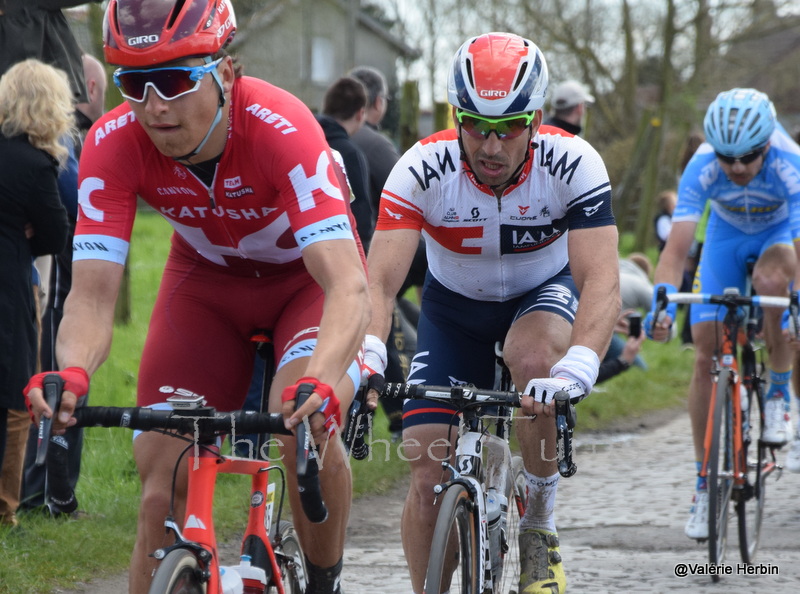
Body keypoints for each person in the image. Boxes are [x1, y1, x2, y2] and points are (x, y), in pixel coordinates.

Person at [22, 1, 369, 593]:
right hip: (206, 287)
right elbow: (92, 297)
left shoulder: (280, 127)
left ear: (226, 73)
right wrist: (73, 372)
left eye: (177, 79)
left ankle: (324, 579)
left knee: (301, 429)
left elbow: (347, 283)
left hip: (305, 286)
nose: (155, 105)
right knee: (162, 486)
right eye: (134, 82)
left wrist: (323, 381)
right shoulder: (115, 140)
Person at [363, 33, 619, 594]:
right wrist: (367, 357)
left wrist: (579, 363)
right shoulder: (421, 169)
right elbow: (379, 284)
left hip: (540, 295)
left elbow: (601, 278)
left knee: (535, 363)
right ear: (456, 116)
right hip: (452, 309)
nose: (491, 145)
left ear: (538, 118)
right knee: (427, 465)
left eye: (509, 127)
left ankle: (538, 526)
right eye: (476, 124)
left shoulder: (573, 163)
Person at [646, 88, 800, 539]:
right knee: (705, 349)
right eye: (728, 158)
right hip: (726, 239)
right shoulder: (703, 165)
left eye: (747, 158)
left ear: (767, 145)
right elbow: (676, 251)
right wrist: (661, 302)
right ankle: (703, 486)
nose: (735, 168)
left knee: (773, 286)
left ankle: (777, 394)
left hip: (776, 239)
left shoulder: (790, 163)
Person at [20, 52, 108, 516]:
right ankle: (46, 490)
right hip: (59, 269)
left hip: (53, 266)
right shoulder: (68, 138)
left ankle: (47, 488)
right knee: (59, 368)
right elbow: (72, 198)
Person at [0, 58, 71, 526]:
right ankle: (5, 510)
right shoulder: (34, 162)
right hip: (9, 290)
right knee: (15, 398)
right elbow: (55, 235)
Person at [316, 75, 374, 248]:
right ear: (360, 114)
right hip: (341, 248)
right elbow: (361, 217)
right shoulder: (350, 154)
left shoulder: (305, 139)